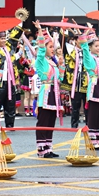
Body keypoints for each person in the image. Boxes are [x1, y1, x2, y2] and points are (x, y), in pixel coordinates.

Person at [33, 22, 65, 157]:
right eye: (50, 47)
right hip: (46, 92)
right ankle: (41, 149)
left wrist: (62, 66)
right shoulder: (40, 60)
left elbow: (61, 79)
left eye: (53, 47)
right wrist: (40, 31)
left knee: (51, 121)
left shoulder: (53, 62)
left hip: (54, 93)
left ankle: (49, 148)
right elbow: (40, 50)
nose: (53, 49)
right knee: (43, 121)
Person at [0, 29, 24, 128]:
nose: (4, 40)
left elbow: (13, 56)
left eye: (4, 38)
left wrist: (20, 20)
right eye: (1, 39)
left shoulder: (9, 49)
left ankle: (10, 124)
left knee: (10, 103)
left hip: (10, 80)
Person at [62, 32, 89, 128]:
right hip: (75, 81)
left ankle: (88, 125)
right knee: (75, 106)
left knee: (87, 105)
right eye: (79, 40)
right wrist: (64, 33)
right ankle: (74, 125)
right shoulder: (71, 51)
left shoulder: (87, 51)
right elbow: (63, 48)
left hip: (86, 81)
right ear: (76, 41)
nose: (81, 42)